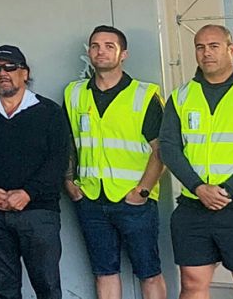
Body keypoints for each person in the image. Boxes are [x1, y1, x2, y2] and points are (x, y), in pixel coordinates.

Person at [160, 24, 233, 299]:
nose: (206, 53)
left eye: (214, 46)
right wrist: (198, 187)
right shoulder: (181, 96)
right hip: (194, 205)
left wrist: (227, 190)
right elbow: (169, 147)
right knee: (191, 284)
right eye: (200, 47)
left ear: (231, 50)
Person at [0, 45, 70, 299]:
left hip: (38, 214)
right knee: (2, 291)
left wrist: (29, 192)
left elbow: (58, 159)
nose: (3, 73)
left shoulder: (49, 112)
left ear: (25, 73)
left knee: (48, 287)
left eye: (10, 67)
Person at [65, 26, 168, 299]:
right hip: (90, 199)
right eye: (95, 45)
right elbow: (67, 145)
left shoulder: (144, 95)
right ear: (88, 52)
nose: (101, 51)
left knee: (149, 272)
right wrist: (70, 184)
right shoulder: (74, 94)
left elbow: (161, 151)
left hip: (134, 200)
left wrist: (141, 192)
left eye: (109, 46)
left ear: (124, 54)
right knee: (104, 272)